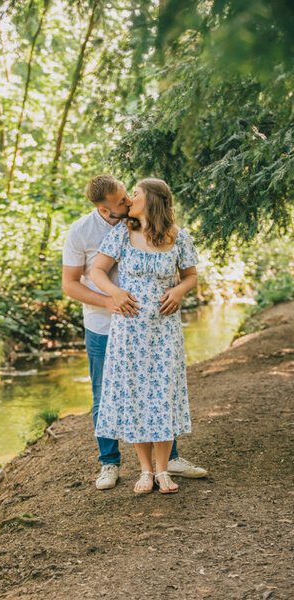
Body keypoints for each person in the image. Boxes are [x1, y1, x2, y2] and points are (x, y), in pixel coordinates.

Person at [62, 175, 207, 491]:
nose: (128, 201)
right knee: (119, 395)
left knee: (162, 393)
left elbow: (190, 275)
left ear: (152, 201)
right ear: (105, 208)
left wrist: (180, 291)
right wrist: (113, 295)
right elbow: (82, 278)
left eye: (133, 194)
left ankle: (165, 467)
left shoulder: (178, 237)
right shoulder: (106, 233)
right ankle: (117, 465)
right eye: (124, 200)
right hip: (119, 329)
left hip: (164, 330)